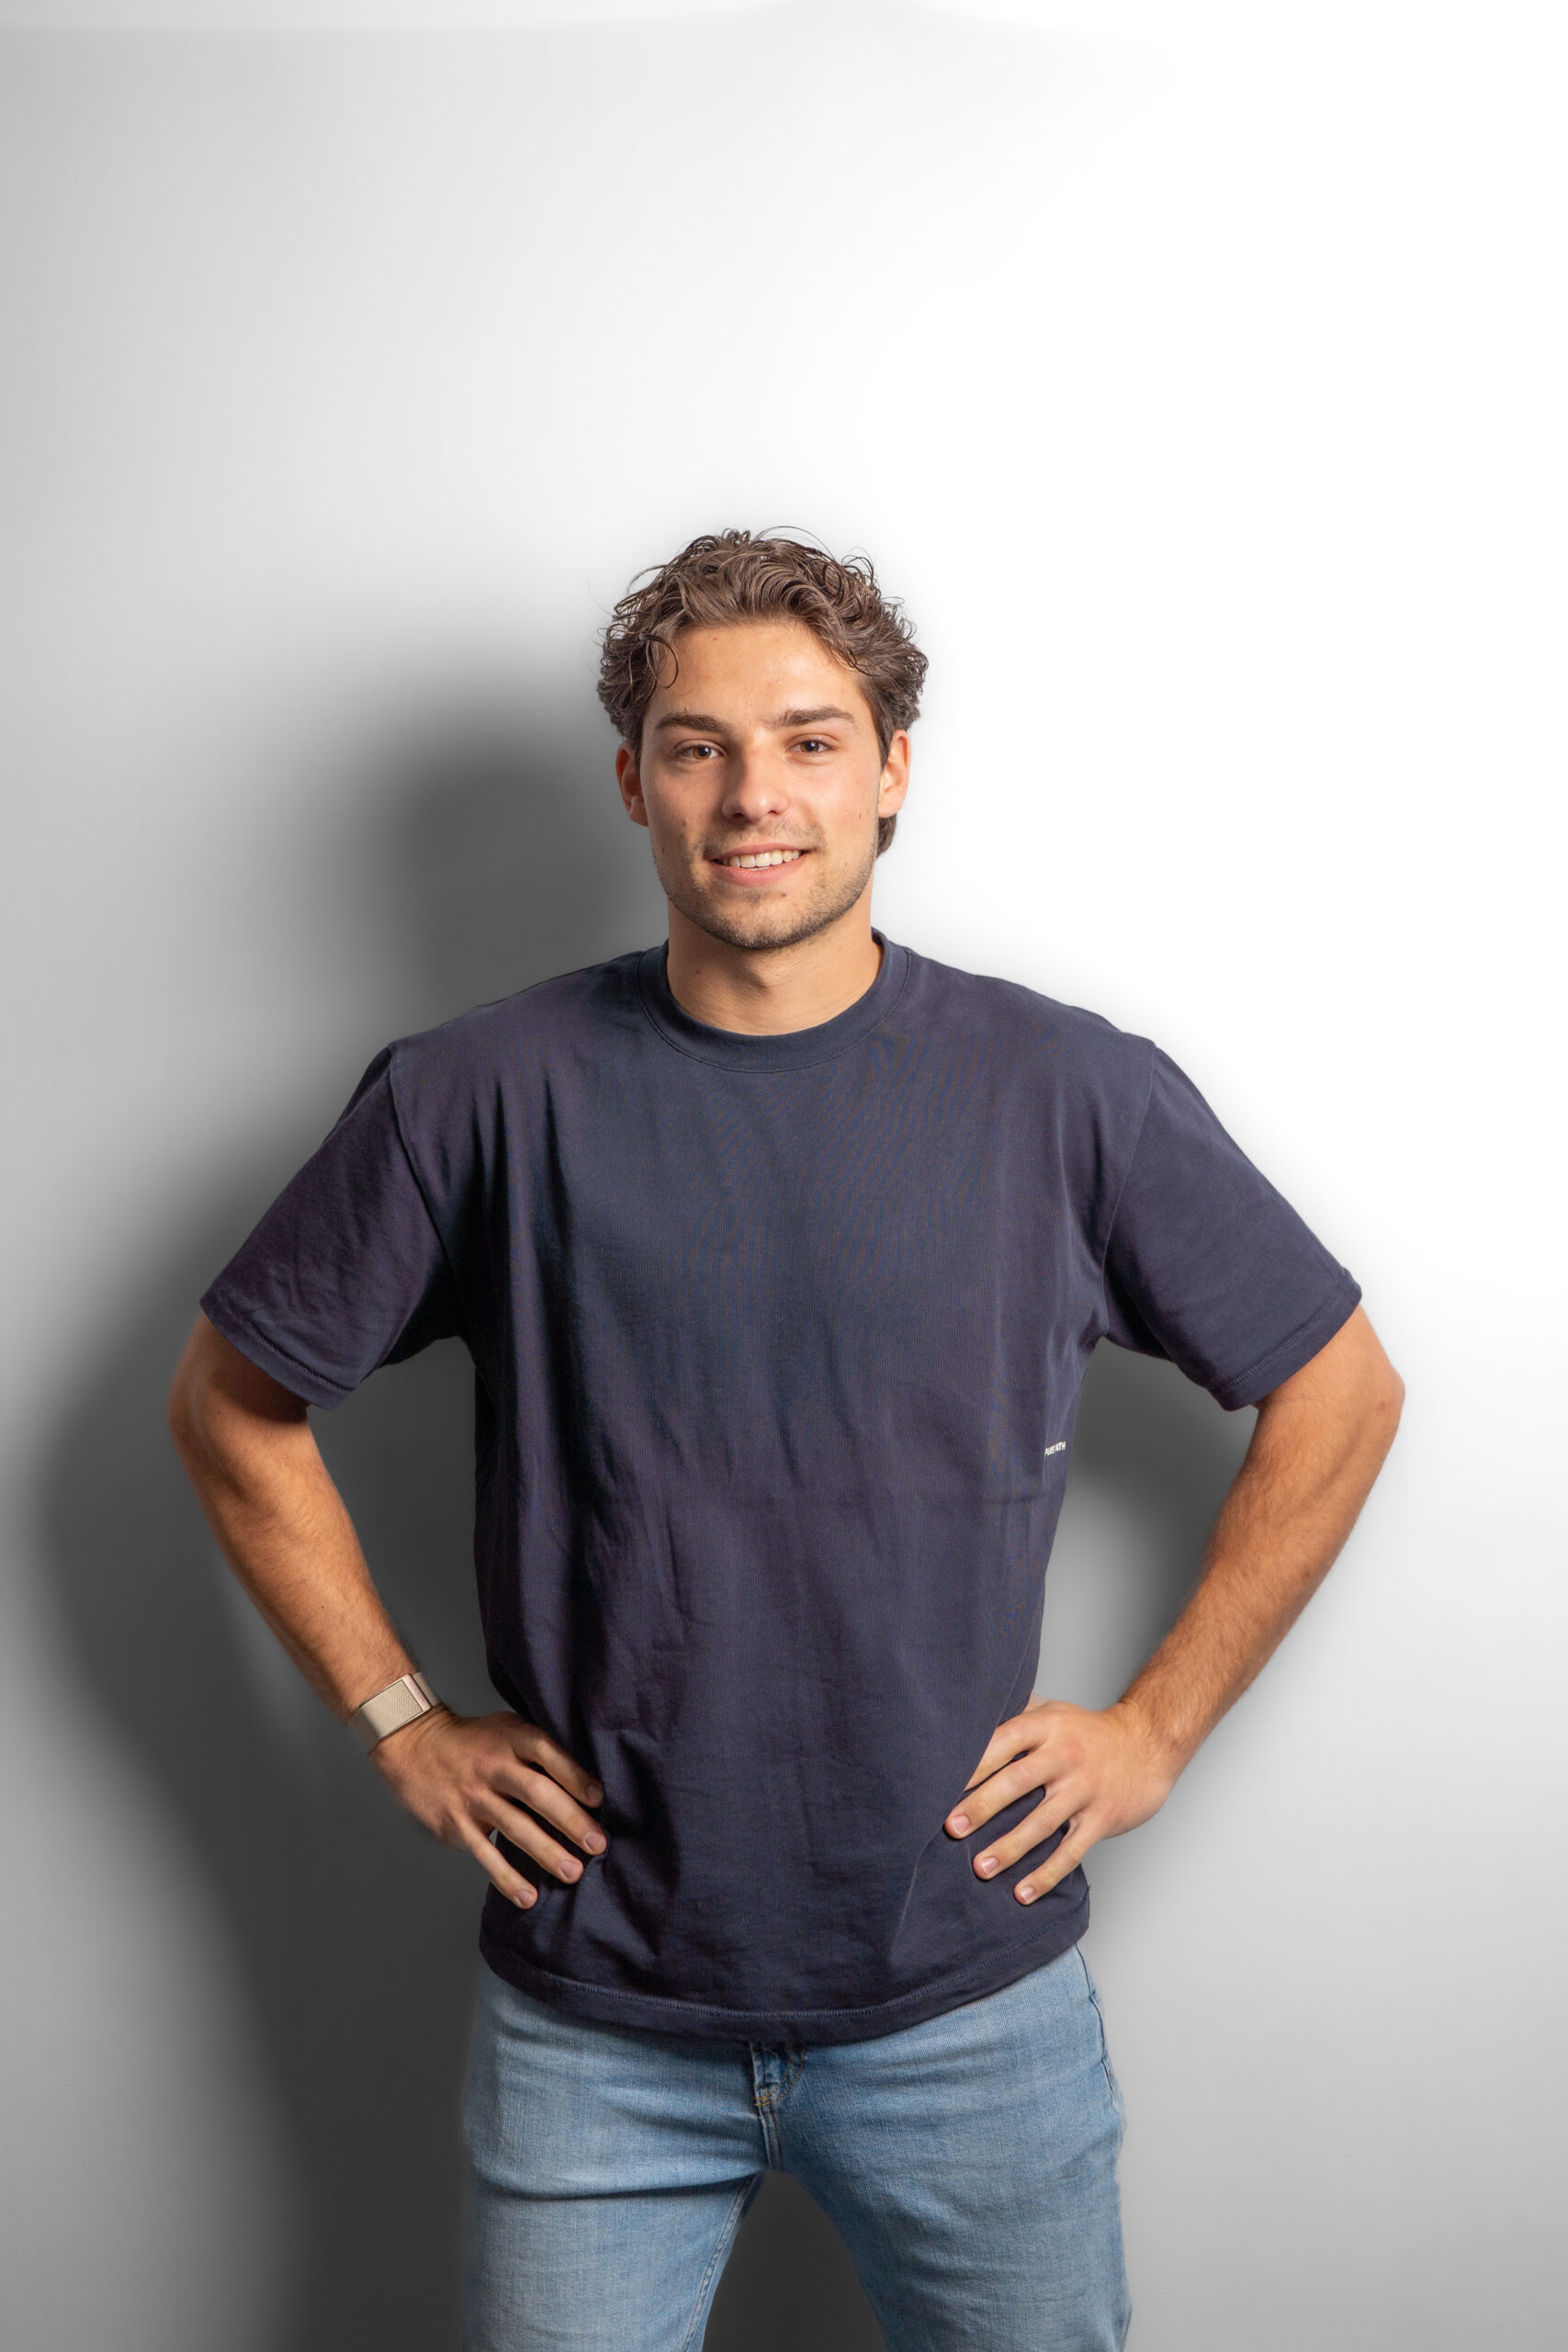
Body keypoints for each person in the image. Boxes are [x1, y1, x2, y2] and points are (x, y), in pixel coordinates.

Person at [169, 531, 1403, 2352]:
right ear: (633, 781)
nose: (753, 794)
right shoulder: (476, 1094)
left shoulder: (1067, 1092)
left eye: (810, 740)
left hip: (966, 2005)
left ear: (891, 769)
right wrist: (402, 1721)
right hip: (594, 2018)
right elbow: (232, 1400)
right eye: (698, 746)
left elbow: (1342, 1387)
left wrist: (1154, 1727)